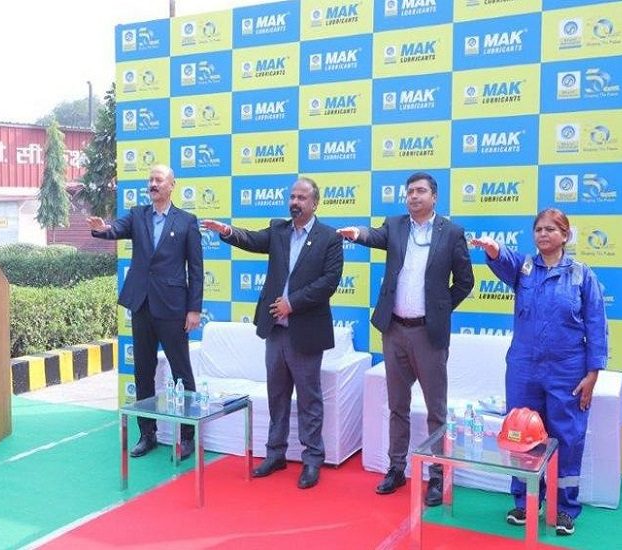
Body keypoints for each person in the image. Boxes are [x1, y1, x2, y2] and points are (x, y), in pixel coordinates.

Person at [470, 207, 607, 537]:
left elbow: (596, 325)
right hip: (524, 368)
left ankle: (564, 508)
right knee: (521, 433)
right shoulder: (524, 269)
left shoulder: (582, 275)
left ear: (565, 235)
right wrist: (494, 249)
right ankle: (525, 500)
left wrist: (593, 372)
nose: (543, 234)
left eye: (551, 229)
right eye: (538, 229)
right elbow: (504, 260)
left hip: (567, 371)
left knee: (567, 438)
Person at [338, 172, 473, 503]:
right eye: (410, 191)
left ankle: (437, 476)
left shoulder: (451, 232)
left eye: (420, 191)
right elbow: (374, 235)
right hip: (395, 330)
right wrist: (357, 234)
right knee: (397, 405)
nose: (414, 196)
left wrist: (440, 309)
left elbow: (465, 281)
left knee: (436, 411)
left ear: (434, 197)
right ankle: (396, 468)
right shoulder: (395, 225)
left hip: (429, 333)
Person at [201, 177, 343, 489]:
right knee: (277, 397)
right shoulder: (278, 230)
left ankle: (312, 459)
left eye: (302, 198)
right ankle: (275, 454)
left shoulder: (329, 237)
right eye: (292, 197)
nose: (295, 202)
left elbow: (329, 282)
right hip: (276, 332)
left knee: (309, 400)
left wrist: (293, 303)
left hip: (306, 331)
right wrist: (227, 231)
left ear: (315, 203)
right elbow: (252, 240)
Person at [88, 165, 203, 460]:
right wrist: (102, 229)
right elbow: (115, 229)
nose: (153, 184)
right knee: (142, 372)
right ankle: (147, 434)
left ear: (172, 185)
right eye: (150, 180)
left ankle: (187, 436)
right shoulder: (137, 215)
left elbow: (196, 270)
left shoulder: (187, 221)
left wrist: (193, 309)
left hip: (173, 308)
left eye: (158, 180)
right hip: (142, 305)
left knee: (181, 372)